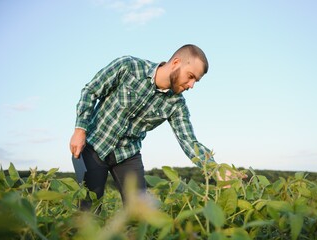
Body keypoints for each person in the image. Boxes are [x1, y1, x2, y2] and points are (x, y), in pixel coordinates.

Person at [69, 44, 215, 208]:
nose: (191, 85)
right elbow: (90, 91)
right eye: (190, 76)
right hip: (94, 145)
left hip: (127, 154)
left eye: (196, 80)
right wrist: (80, 130)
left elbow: (189, 141)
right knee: (89, 209)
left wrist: (215, 169)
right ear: (175, 63)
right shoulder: (128, 66)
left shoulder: (177, 104)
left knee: (140, 211)